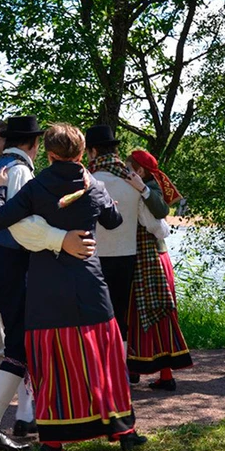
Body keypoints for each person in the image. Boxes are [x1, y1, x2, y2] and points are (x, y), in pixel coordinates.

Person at [0, 123, 146, 451]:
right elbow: (114, 221)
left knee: (55, 361)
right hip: (89, 281)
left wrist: (1, 189)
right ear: (81, 151)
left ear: (49, 153)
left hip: (48, 285)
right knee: (101, 357)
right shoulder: (94, 185)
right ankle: (123, 430)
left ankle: (53, 441)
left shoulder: (36, 186)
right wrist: (109, 201)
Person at [0, 119, 97, 382]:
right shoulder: (18, 170)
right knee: (21, 334)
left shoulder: (1, 168)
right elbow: (20, 221)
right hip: (11, 257)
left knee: (16, 329)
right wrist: (60, 238)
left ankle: (21, 399)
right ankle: (26, 405)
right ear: (35, 144)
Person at [85, 125, 170, 364]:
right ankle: (119, 373)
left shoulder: (88, 179)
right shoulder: (132, 180)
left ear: (92, 151)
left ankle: (97, 370)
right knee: (120, 317)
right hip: (126, 255)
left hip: (92, 256)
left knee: (94, 317)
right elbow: (155, 218)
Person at [124, 149, 193, 390]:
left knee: (155, 314)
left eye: (128, 165)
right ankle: (135, 370)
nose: (124, 169)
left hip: (151, 258)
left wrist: (141, 188)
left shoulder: (150, 188)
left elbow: (162, 210)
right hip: (142, 258)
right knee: (134, 313)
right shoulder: (135, 185)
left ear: (139, 170)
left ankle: (164, 375)